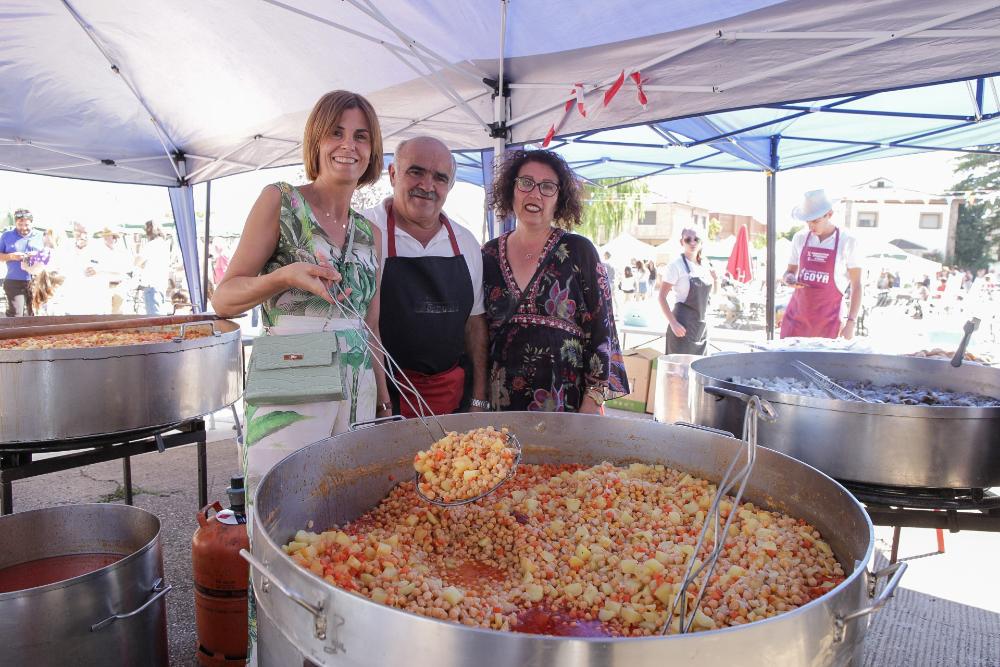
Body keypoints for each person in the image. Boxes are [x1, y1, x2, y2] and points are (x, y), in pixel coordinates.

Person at [211, 90, 389, 666]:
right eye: (337, 132)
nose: (348, 146)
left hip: (357, 387)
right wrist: (283, 276)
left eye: (361, 136)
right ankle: (275, 655)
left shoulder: (371, 232)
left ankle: (332, 653)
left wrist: (384, 395)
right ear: (316, 139)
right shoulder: (280, 201)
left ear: (373, 149)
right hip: (290, 374)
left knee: (343, 524)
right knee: (280, 524)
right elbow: (224, 298)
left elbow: (370, 323)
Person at [482, 149, 628, 413]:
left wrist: (593, 401)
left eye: (547, 187)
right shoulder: (488, 255)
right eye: (526, 182)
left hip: (565, 405)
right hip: (498, 406)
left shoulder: (579, 251)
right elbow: (477, 334)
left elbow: (602, 331)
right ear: (511, 189)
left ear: (560, 198)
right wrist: (477, 401)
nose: (535, 194)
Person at [361, 136, 489, 417]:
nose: (427, 186)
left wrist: (479, 399)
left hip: (451, 398)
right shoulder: (364, 231)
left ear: (449, 186)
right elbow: (361, 326)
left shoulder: (466, 242)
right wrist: (382, 406)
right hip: (382, 400)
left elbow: (475, 324)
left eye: (440, 178)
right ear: (393, 174)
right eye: (416, 172)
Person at [780, 189, 862, 339]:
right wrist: (789, 279)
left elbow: (857, 285)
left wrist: (851, 322)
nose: (811, 226)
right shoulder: (800, 238)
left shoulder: (848, 241)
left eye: (815, 221)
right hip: (797, 317)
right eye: (808, 221)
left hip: (829, 321)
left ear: (829, 214)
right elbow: (789, 272)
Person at [659, 228, 717, 354]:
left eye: (696, 239)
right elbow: (661, 297)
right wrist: (673, 323)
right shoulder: (675, 266)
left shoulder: (706, 265)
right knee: (680, 367)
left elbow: (712, 296)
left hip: (701, 329)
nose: (692, 242)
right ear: (681, 242)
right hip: (681, 328)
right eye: (688, 239)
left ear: (701, 242)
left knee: (700, 366)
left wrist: (716, 280)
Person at [1, 208, 45, 317]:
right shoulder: (6, 236)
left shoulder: (41, 236)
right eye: (20, 224)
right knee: (16, 315)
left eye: (27, 225)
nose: (23, 228)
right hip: (13, 281)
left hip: (37, 281)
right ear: (15, 222)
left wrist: (37, 256)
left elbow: (50, 256)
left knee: (35, 315)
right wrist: (11, 256)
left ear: (32, 223)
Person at [134, 221, 171, 315]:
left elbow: (137, 262)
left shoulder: (151, 245)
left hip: (152, 286)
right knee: (160, 315)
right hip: (161, 285)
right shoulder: (164, 245)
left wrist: (136, 246)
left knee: (154, 317)